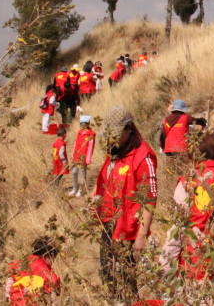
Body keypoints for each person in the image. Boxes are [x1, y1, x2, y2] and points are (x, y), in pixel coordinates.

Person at [158, 133, 214, 301]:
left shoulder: (187, 184)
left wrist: (165, 268)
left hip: (197, 273)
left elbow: (177, 233)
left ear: (192, 156)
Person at [92, 106, 157, 302]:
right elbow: (105, 178)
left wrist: (141, 236)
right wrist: (93, 197)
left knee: (126, 281)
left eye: (116, 134)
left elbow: (150, 199)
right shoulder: (114, 151)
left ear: (129, 129)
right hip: (108, 223)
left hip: (128, 230)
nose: (112, 138)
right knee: (108, 275)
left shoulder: (143, 157)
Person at [5, 236, 62, 305]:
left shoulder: (20, 263)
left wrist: (8, 298)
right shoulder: (45, 268)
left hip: (16, 302)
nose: (53, 261)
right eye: (53, 258)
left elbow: (10, 281)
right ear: (45, 256)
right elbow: (54, 284)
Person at [160, 100, 206, 171]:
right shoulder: (185, 118)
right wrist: (203, 122)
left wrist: (162, 147)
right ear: (182, 110)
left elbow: (162, 135)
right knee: (183, 169)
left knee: (173, 169)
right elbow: (198, 121)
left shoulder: (166, 120)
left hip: (169, 150)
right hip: (182, 149)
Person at [70, 115, 95, 198]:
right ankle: (75, 188)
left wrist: (88, 158)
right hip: (77, 156)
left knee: (82, 173)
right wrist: (73, 153)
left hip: (83, 157)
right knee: (74, 172)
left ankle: (81, 190)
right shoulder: (79, 132)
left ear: (88, 123)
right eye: (82, 123)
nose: (83, 125)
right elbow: (76, 143)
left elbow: (91, 147)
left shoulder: (91, 134)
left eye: (85, 123)